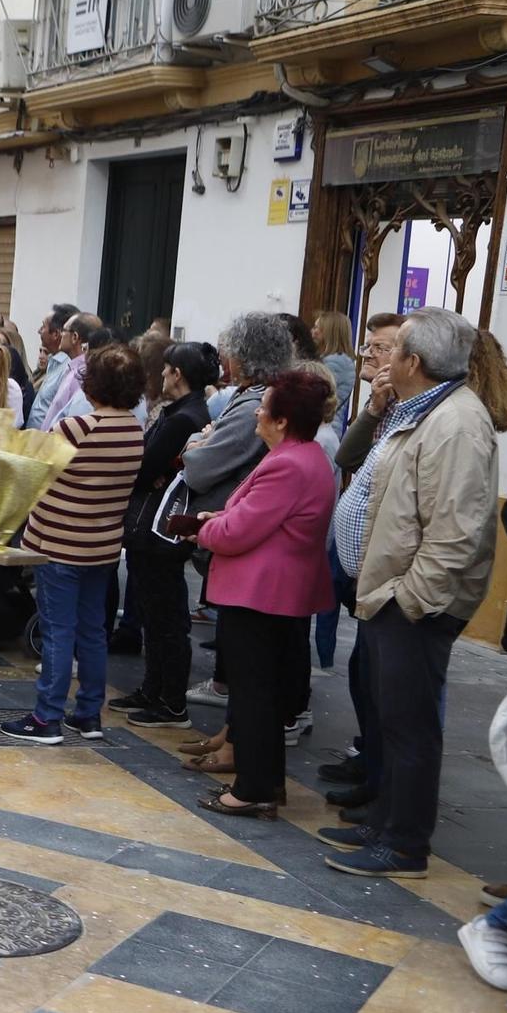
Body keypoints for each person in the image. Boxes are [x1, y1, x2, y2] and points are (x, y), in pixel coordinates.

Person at [326, 308, 498, 879]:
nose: (382, 358)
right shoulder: (423, 410)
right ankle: (385, 822)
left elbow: (456, 532)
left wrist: (408, 599)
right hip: (390, 595)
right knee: (391, 721)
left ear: (414, 363)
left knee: (410, 726)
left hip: (413, 604)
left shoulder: (456, 424)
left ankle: (404, 845)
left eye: (393, 350)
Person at [190, 370, 338, 818]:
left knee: (254, 693)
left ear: (282, 419)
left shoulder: (288, 463)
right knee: (264, 691)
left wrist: (205, 527)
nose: (258, 410)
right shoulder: (301, 456)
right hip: (274, 591)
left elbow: (238, 531)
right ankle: (267, 781)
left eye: (266, 405)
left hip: (260, 593)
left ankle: (252, 788)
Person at [1, 345, 145, 743]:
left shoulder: (77, 427)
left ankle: (47, 716)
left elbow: (34, 470)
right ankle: (88, 714)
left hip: (59, 543)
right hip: (101, 545)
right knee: (93, 631)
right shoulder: (134, 429)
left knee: (58, 631)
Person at [180, 312, 294, 709]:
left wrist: (198, 441)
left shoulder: (252, 407)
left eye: (230, 351)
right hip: (229, 530)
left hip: (238, 538)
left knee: (247, 647)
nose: (225, 359)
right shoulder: (249, 398)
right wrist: (202, 439)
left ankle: (235, 720)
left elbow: (198, 465)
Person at [114, 341, 217, 728]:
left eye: (167, 369)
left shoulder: (184, 419)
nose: (161, 374)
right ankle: (153, 688)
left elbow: (145, 465)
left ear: (178, 374)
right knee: (154, 612)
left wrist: (151, 469)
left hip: (159, 529)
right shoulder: (181, 414)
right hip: (150, 525)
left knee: (165, 617)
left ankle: (171, 701)